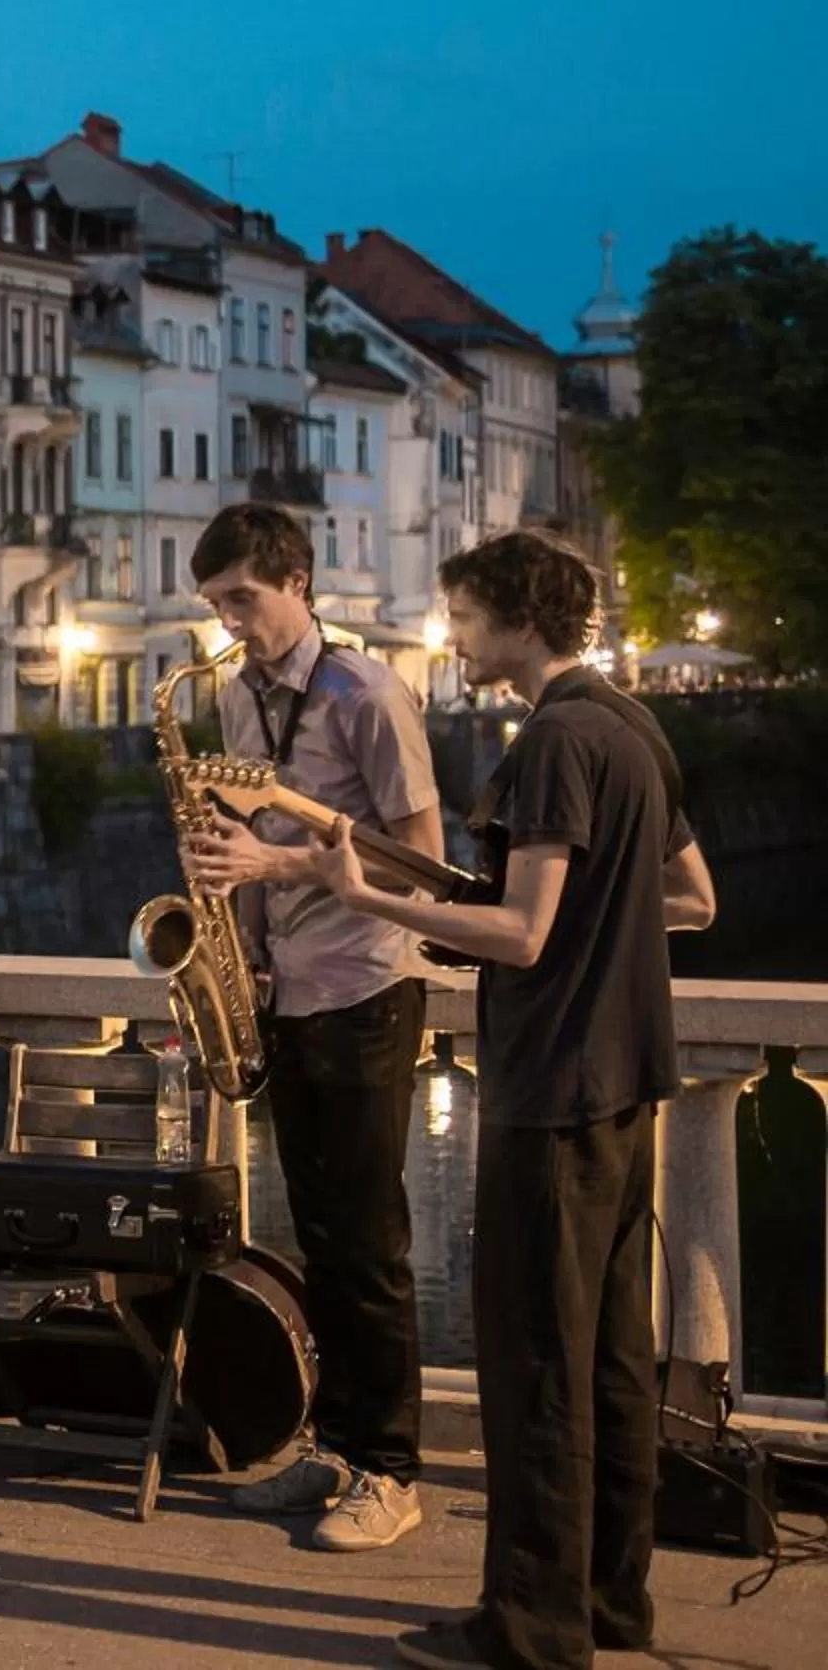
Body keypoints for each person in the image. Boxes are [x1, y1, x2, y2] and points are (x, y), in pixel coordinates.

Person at [282, 535, 712, 1670]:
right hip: (630, 1084)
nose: (455, 638)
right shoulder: (632, 725)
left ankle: (530, 1628)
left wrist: (368, 893)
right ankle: (615, 1601)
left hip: (556, 1088)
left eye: (464, 616)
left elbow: (521, 935)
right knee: (615, 1358)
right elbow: (693, 899)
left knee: (536, 1370)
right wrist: (590, 919)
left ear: (517, 616)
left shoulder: (555, 741)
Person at [180, 503, 443, 1552]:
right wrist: (233, 925)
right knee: (322, 1239)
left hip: (369, 984)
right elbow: (255, 829)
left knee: (371, 1245)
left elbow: (421, 860)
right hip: (288, 986)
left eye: (243, 599)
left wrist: (273, 866)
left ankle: (394, 1470)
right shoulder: (244, 696)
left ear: (297, 579)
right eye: (215, 607)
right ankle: (335, 1448)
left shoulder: (368, 692)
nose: (231, 624)